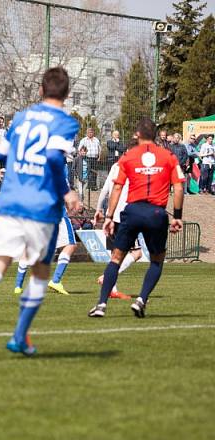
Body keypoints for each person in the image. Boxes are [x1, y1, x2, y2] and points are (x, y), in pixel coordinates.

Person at [0, 67, 80, 359]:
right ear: (66, 94)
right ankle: (18, 337)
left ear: (40, 90)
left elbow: (0, 153)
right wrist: (66, 191)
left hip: (10, 200)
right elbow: (52, 156)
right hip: (41, 205)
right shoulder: (66, 122)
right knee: (40, 272)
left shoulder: (22, 118)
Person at [88, 117, 185, 319]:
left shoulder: (128, 157)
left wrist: (108, 215)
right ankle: (141, 300)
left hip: (131, 212)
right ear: (156, 135)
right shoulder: (168, 156)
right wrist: (177, 216)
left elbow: (116, 186)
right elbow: (178, 187)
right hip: (156, 214)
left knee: (116, 258)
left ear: (138, 134)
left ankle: (101, 305)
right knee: (157, 260)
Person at [93, 156, 140, 301]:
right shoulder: (135, 167)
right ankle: (107, 278)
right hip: (125, 216)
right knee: (137, 253)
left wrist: (98, 209)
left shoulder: (115, 166)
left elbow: (105, 189)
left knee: (115, 254)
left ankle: (112, 290)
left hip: (111, 215)